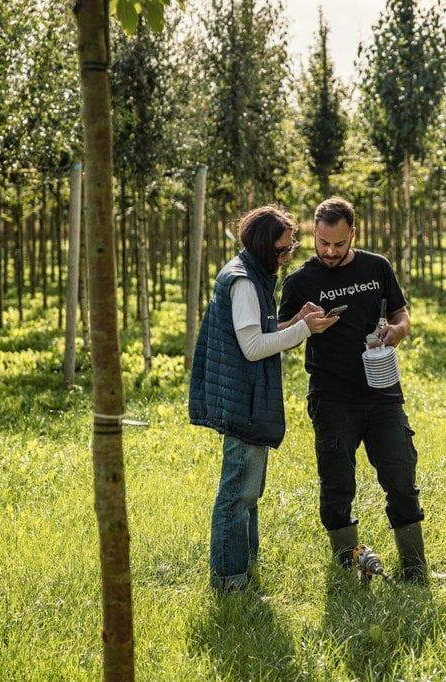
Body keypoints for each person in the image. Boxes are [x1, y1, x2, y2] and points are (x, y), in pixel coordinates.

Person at [278, 196, 433, 582]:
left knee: (400, 476)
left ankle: (415, 568)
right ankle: (347, 569)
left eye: (339, 244)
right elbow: (278, 335)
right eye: (323, 243)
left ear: (354, 234)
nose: (330, 251)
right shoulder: (300, 281)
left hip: (383, 394)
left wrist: (395, 332)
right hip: (331, 397)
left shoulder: (377, 267)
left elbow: (400, 313)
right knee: (336, 483)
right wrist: (302, 324)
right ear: (314, 234)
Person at [189, 205, 338, 593]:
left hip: (246, 395)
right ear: (262, 246)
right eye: (283, 250)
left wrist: (292, 322)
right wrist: (303, 330)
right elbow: (254, 347)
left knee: (249, 491)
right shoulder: (242, 282)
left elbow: (258, 331)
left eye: (291, 248)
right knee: (237, 495)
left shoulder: (250, 274)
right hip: (244, 400)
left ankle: (245, 568)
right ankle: (230, 581)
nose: (288, 257)